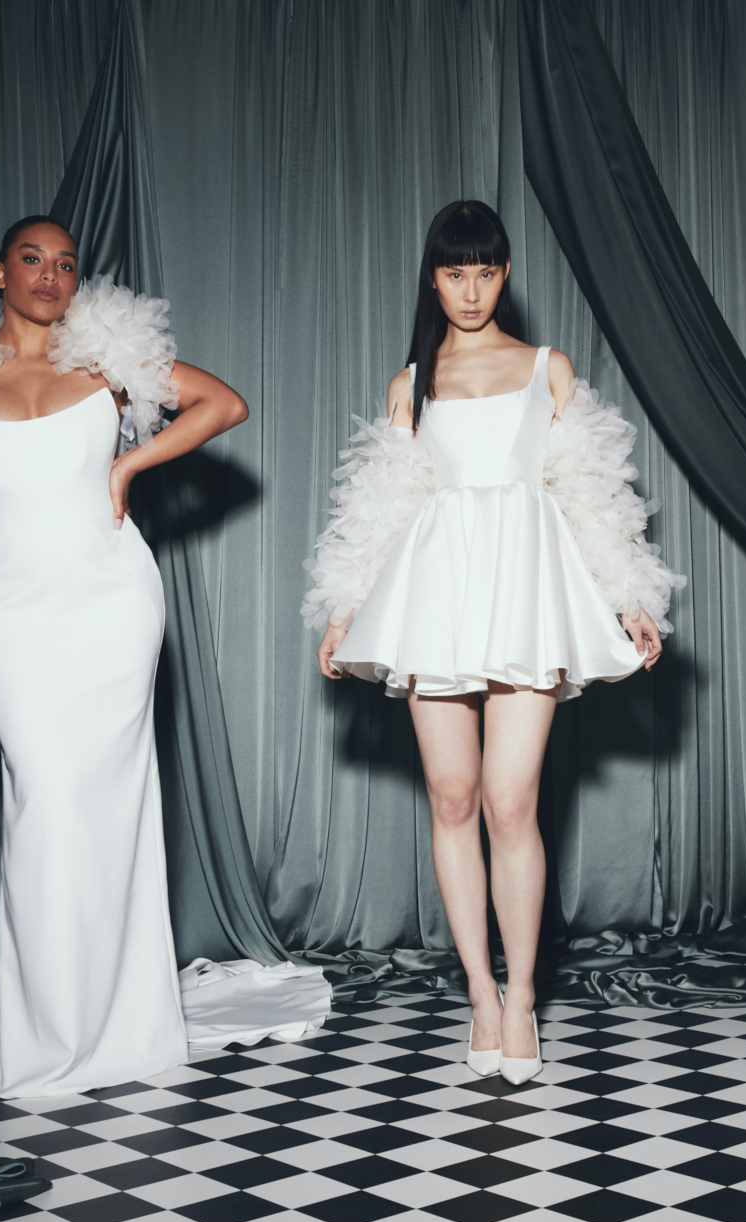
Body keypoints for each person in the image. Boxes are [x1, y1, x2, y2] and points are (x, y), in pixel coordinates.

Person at [304, 201, 682, 1086]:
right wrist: (344, 607)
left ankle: (521, 1000)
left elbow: (589, 487)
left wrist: (628, 597)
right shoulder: (412, 382)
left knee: (513, 803)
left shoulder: (548, 368)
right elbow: (382, 509)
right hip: (436, 593)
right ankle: (479, 991)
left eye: (485, 271)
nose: (470, 290)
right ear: (432, 279)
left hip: (525, 590)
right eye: (453, 272)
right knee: (451, 795)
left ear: (504, 275)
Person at [0, 216, 255, 1098]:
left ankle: (126, 1023)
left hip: (112, 600)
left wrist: (129, 469)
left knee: (110, 804)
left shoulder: (105, 363)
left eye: (66, 264)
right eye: (32, 259)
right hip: (6, 605)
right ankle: (47, 1032)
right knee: (46, 798)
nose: (50, 274)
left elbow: (223, 404)